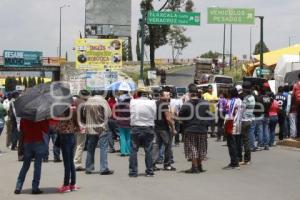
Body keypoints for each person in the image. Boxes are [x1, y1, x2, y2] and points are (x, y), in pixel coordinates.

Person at [179, 84, 210, 173]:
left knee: (192, 147)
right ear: (197, 93)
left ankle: (195, 167)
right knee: (201, 148)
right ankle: (199, 166)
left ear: (189, 93)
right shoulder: (205, 103)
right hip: (202, 129)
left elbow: (180, 116)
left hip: (190, 129)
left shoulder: (187, 104)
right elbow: (209, 116)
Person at [14, 119, 49, 195]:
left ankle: (18, 187)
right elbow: (46, 130)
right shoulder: (40, 118)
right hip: (38, 142)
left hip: (27, 143)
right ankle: (35, 188)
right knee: (37, 166)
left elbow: (22, 131)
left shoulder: (24, 118)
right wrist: (46, 121)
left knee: (25, 166)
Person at [84, 91, 114, 175]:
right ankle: (103, 168)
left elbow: (83, 113)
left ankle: (88, 168)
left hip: (90, 128)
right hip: (102, 128)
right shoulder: (103, 101)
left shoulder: (88, 101)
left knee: (90, 148)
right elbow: (109, 114)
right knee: (103, 148)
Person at [129, 90, 156, 177]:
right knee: (148, 150)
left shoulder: (133, 101)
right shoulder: (152, 102)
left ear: (138, 94)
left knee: (133, 150)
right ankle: (149, 171)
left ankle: (133, 172)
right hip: (148, 127)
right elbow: (154, 115)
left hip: (135, 127)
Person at [55, 107, 80, 193]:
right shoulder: (73, 110)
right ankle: (72, 184)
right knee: (71, 161)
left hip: (64, 137)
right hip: (72, 136)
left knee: (67, 163)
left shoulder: (61, 111)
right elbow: (77, 124)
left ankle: (66, 185)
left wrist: (57, 127)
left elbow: (58, 127)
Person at [152, 90, 177, 171]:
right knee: (168, 146)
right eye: (167, 95)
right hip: (164, 128)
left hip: (157, 127)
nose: (168, 96)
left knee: (157, 146)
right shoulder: (164, 104)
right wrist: (173, 128)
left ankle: (152, 164)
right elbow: (168, 118)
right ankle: (167, 164)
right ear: (161, 96)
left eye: (169, 95)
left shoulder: (156, 103)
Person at [223, 87, 242, 169]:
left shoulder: (231, 101)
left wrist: (225, 124)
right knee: (237, 144)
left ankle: (234, 163)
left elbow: (229, 115)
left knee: (231, 145)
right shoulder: (240, 100)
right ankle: (238, 160)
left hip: (231, 124)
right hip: (238, 124)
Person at [74, 90, 90, 171]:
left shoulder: (74, 101)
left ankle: (73, 161)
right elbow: (85, 116)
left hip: (74, 125)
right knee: (80, 145)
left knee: (75, 145)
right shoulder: (84, 104)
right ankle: (77, 163)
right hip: (82, 126)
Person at [239, 81, 255, 165]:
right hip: (250, 120)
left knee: (244, 141)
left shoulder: (246, 99)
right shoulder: (252, 97)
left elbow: (242, 110)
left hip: (244, 121)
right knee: (247, 140)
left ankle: (246, 159)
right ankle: (248, 159)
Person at [115, 92, 132, 156]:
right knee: (128, 137)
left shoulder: (119, 105)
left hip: (121, 123)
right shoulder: (130, 106)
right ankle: (128, 151)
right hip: (128, 123)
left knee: (122, 137)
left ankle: (123, 152)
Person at [292, 73, 300, 138]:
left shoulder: (295, 85)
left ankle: (298, 135)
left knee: (298, 119)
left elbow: (293, 95)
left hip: (298, 104)